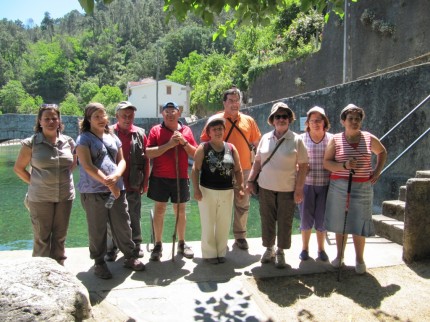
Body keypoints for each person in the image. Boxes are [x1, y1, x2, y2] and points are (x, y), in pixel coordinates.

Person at [76, 102, 145, 279]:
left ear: (107, 117)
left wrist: (116, 175)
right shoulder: (84, 139)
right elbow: (87, 165)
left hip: (117, 189)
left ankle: (129, 256)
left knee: (122, 223)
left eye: (102, 115)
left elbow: (122, 160)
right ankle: (99, 262)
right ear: (88, 119)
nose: (100, 119)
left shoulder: (112, 136)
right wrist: (109, 182)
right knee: (97, 227)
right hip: (94, 191)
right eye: (96, 116)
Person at [323, 103, 387, 274]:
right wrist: (344, 165)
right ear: (343, 121)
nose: (354, 122)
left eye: (357, 119)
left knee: (360, 222)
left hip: (363, 186)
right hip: (339, 186)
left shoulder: (368, 138)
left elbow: (382, 152)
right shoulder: (335, 139)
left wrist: (377, 171)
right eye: (350, 119)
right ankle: (339, 256)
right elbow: (327, 163)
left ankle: (359, 259)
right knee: (339, 222)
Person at [246, 102, 308, 268]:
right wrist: (250, 181)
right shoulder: (265, 138)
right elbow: (257, 162)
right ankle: (269, 249)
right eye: (278, 116)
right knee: (267, 219)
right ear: (272, 120)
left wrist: (299, 189)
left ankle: (280, 251)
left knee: (285, 221)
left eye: (284, 116)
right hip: (266, 187)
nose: (281, 119)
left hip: (287, 189)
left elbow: (303, 166)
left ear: (289, 119)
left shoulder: (297, 140)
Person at [14, 104, 76, 266]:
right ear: (40, 121)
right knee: (42, 238)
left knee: (60, 236)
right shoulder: (31, 143)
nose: (50, 121)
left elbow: (73, 164)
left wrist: (62, 178)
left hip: (65, 196)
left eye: (54, 118)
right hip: (40, 198)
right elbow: (19, 169)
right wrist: (36, 183)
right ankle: (41, 273)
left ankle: (59, 270)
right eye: (46, 118)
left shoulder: (68, 141)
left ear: (59, 121)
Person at [200, 88, 261, 250]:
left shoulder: (249, 120)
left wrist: (258, 168)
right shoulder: (215, 119)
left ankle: (240, 236)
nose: (234, 104)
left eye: (237, 100)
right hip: (220, 171)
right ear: (224, 102)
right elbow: (205, 144)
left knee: (243, 204)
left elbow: (258, 144)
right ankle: (220, 239)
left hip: (245, 169)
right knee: (221, 205)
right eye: (231, 100)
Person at [146, 101, 197, 261]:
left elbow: (195, 154)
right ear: (162, 114)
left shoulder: (186, 130)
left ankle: (181, 243)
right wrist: (169, 145)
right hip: (160, 177)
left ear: (178, 113)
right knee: (160, 209)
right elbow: (148, 153)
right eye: (166, 112)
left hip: (180, 177)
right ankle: (158, 245)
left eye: (172, 111)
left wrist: (183, 142)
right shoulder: (156, 130)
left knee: (180, 210)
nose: (169, 114)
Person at [192, 115, 244, 264]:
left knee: (224, 222)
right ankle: (209, 254)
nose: (218, 132)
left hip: (227, 191)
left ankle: (221, 252)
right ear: (209, 132)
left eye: (220, 129)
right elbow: (195, 170)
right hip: (207, 191)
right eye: (214, 129)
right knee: (208, 223)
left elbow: (238, 170)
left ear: (224, 130)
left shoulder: (231, 148)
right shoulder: (203, 148)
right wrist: (196, 189)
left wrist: (240, 187)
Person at [105, 101, 150, 262]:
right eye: (124, 115)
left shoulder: (140, 133)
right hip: (111, 185)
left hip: (133, 183)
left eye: (130, 115)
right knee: (111, 218)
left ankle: (136, 244)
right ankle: (111, 248)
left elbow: (146, 160)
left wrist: (145, 182)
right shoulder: (107, 133)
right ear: (116, 116)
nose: (127, 118)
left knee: (134, 215)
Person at [299, 106, 333, 262]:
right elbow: (294, 161)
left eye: (319, 120)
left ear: (324, 122)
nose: (316, 123)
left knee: (322, 219)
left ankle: (321, 249)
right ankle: (304, 249)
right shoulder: (301, 139)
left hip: (326, 185)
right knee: (305, 219)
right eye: (312, 120)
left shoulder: (332, 138)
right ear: (308, 123)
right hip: (307, 184)